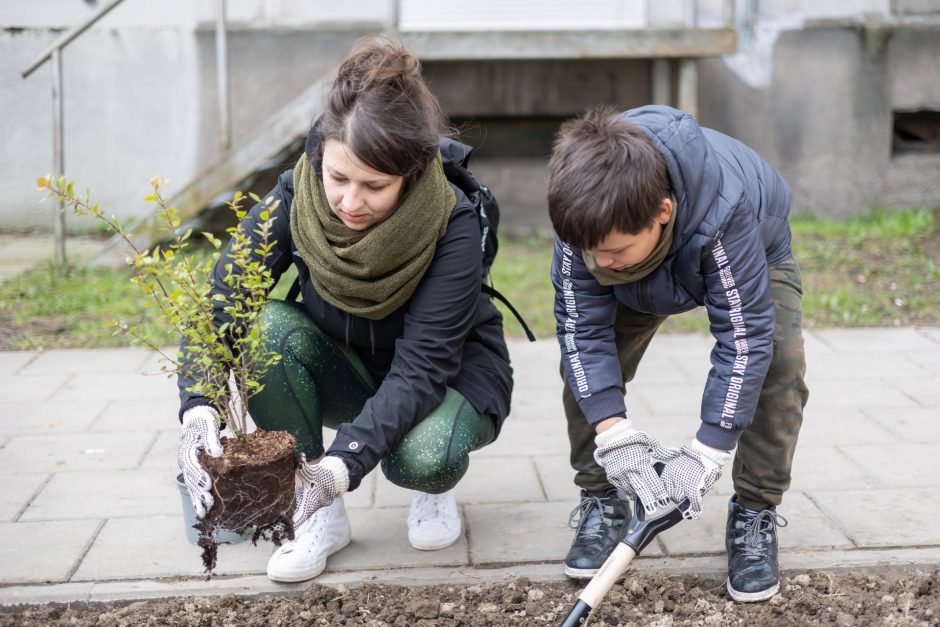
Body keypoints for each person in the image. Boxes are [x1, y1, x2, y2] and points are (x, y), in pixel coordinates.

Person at [176, 37, 513, 583]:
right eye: (338, 178)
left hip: (447, 377)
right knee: (267, 329)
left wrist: (346, 461)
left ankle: (433, 489)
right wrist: (198, 405)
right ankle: (321, 517)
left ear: (410, 174)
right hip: (348, 366)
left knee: (421, 459)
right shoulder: (293, 196)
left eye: (374, 185)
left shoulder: (452, 220)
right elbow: (225, 302)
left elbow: (424, 364)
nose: (351, 202)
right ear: (319, 157)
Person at [548, 105, 807, 602]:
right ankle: (602, 499)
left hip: (751, 248)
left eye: (613, 251)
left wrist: (707, 450)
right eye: (587, 250)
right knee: (582, 365)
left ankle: (754, 511)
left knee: (778, 362)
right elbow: (583, 333)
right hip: (647, 254)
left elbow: (743, 338)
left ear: (661, 213)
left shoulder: (724, 211)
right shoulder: (584, 223)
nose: (600, 262)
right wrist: (616, 436)